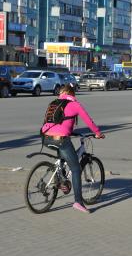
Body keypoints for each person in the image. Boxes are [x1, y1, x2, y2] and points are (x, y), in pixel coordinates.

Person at [41, 84, 105, 214]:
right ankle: (78, 202)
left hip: (45, 137)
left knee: (63, 158)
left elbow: (57, 122)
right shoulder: (75, 104)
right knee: (76, 169)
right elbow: (89, 121)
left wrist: (69, 131)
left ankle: (62, 181)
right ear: (72, 94)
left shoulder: (54, 103)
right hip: (61, 139)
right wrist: (98, 133)